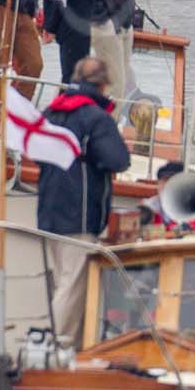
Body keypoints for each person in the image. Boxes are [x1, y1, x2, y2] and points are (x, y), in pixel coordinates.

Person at [36, 57, 133, 344]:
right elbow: (117, 160)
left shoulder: (52, 113)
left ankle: (66, 344)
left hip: (49, 212)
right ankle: (55, 347)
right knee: (72, 284)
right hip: (79, 215)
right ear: (103, 85)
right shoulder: (95, 118)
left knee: (61, 281)